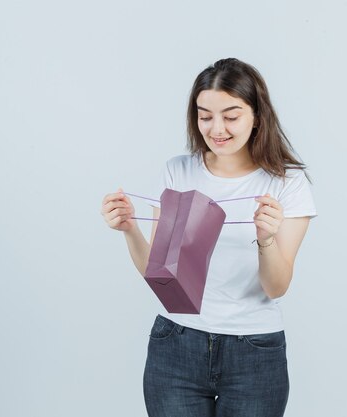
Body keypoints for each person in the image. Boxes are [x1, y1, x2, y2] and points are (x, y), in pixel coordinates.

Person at [100, 57, 317, 417]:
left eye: (231, 116)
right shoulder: (178, 171)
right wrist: (129, 230)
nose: (217, 128)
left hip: (254, 352)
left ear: (257, 115)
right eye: (205, 116)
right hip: (177, 344)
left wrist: (265, 238)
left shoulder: (286, 183)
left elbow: (276, 287)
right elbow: (159, 274)